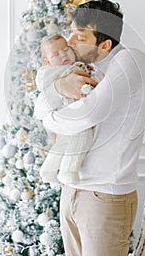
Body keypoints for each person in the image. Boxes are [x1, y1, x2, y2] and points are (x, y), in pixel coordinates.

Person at [42, 0, 145, 256]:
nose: (69, 41)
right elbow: (40, 106)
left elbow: (90, 113)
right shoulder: (71, 68)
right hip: (72, 190)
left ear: (104, 45)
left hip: (104, 195)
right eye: (71, 32)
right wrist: (58, 86)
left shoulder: (130, 60)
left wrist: (52, 113)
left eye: (79, 36)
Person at [34, 34, 103, 184]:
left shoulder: (78, 66)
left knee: (63, 144)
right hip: (67, 113)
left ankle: (48, 170)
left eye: (66, 49)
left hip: (73, 111)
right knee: (82, 139)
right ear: (48, 61)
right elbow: (42, 84)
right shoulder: (49, 72)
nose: (63, 55)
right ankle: (68, 171)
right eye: (56, 54)